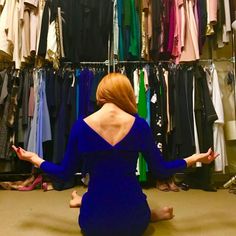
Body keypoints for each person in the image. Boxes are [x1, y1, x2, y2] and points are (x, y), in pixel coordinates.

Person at [12, 73, 218, 236]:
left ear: (101, 94)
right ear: (127, 95)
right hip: (135, 224)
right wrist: (194, 158)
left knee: (98, 194)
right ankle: (148, 214)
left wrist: (34, 159)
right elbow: (161, 169)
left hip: (93, 225)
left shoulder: (80, 127)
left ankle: (83, 200)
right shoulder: (139, 126)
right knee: (130, 200)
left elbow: (64, 173)